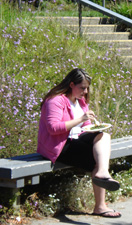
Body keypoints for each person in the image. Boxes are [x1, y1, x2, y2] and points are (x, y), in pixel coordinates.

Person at [37, 68, 121, 218]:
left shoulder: (80, 101)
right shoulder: (55, 101)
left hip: (76, 140)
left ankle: (103, 172)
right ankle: (100, 206)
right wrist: (81, 119)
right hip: (59, 145)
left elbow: (85, 126)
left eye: (87, 87)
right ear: (71, 84)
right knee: (97, 157)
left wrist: (94, 126)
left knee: (104, 136)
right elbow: (53, 128)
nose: (85, 91)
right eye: (82, 87)